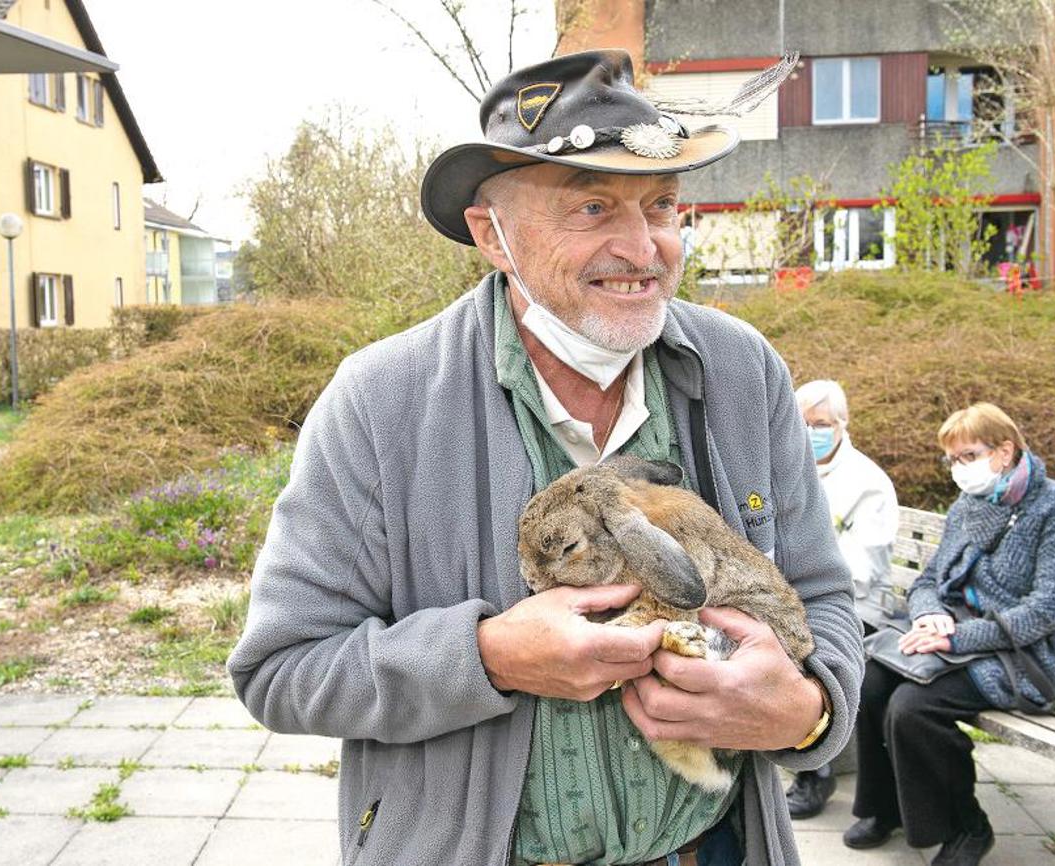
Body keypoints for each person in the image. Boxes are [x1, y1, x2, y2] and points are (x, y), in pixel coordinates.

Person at [229, 49, 863, 866]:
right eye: (593, 207)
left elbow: (822, 595)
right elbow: (282, 670)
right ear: (492, 235)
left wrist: (806, 715)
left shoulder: (740, 370)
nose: (645, 248)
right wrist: (488, 657)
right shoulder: (380, 402)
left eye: (662, 206)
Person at [844, 402, 1055, 866]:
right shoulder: (969, 504)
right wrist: (928, 617)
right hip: (965, 635)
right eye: (953, 459)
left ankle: (967, 827)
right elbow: (927, 582)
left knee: (913, 708)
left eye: (969, 456)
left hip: (1035, 652)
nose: (960, 469)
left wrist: (957, 638)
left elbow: (1049, 612)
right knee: (871, 680)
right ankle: (887, 808)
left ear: (1005, 451)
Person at [785, 380, 899, 819]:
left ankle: (816, 772)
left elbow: (862, 571)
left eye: (821, 424)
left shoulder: (867, 481)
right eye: (803, 423)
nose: (811, 431)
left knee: (805, 648)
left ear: (842, 425)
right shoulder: (789, 467)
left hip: (856, 606)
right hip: (795, 596)